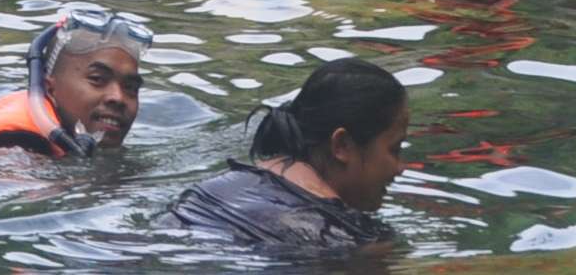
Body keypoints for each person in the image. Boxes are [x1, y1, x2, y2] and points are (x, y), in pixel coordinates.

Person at [167, 58, 411, 252]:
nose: (400, 167)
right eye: (394, 149)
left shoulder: (214, 189)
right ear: (342, 146)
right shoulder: (353, 239)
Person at [0, 6, 148, 162]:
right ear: (49, 87)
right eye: (97, 80)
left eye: (131, 88)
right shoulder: (16, 147)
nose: (118, 98)